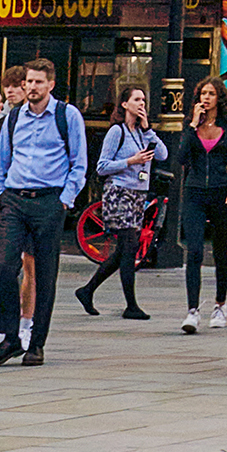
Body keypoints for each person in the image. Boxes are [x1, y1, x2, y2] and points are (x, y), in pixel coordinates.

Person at [0, 58, 89, 367]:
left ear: (51, 85)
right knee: (4, 266)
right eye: (28, 81)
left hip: (48, 201)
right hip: (14, 199)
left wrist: (64, 201)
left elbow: (79, 163)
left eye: (38, 82)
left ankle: (36, 343)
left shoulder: (68, 116)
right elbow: (1, 164)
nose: (31, 87)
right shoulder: (13, 118)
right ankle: (11, 338)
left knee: (44, 274)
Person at [76, 90, 162, 323]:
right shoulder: (117, 131)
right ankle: (131, 305)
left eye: (144, 100)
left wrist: (148, 129)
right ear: (124, 104)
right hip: (119, 192)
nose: (141, 103)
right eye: (136, 99)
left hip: (137, 194)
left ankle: (87, 290)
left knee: (124, 250)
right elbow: (102, 166)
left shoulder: (142, 133)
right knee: (130, 245)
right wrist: (130, 161)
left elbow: (161, 154)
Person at [174, 80, 227, 332]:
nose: (206, 98)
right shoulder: (191, 125)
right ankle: (192, 310)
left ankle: (220, 304)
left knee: (220, 252)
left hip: (221, 192)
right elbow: (181, 158)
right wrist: (192, 125)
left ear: (219, 98)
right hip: (193, 191)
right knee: (193, 250)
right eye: (203, 93)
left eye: (211, 93)